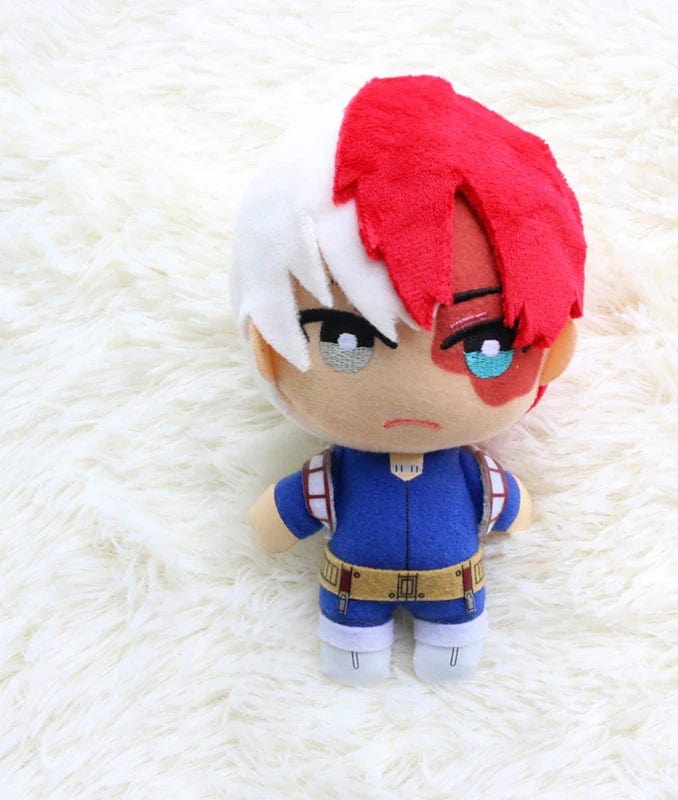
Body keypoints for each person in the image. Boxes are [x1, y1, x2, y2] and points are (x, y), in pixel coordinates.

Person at [231, 76, 586, 685]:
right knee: (353, 660)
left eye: (486, 345)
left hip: (454, 593)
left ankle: (447, 644)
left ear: (553, 353)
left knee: (450, 657)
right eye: (345, 340)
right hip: (351, 595)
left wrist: (521, 516)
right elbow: (287, 512)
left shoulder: (467, 473)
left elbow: (508, 506)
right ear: (267, 345)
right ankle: (357, 650)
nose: (416, 387)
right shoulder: (338, 472)